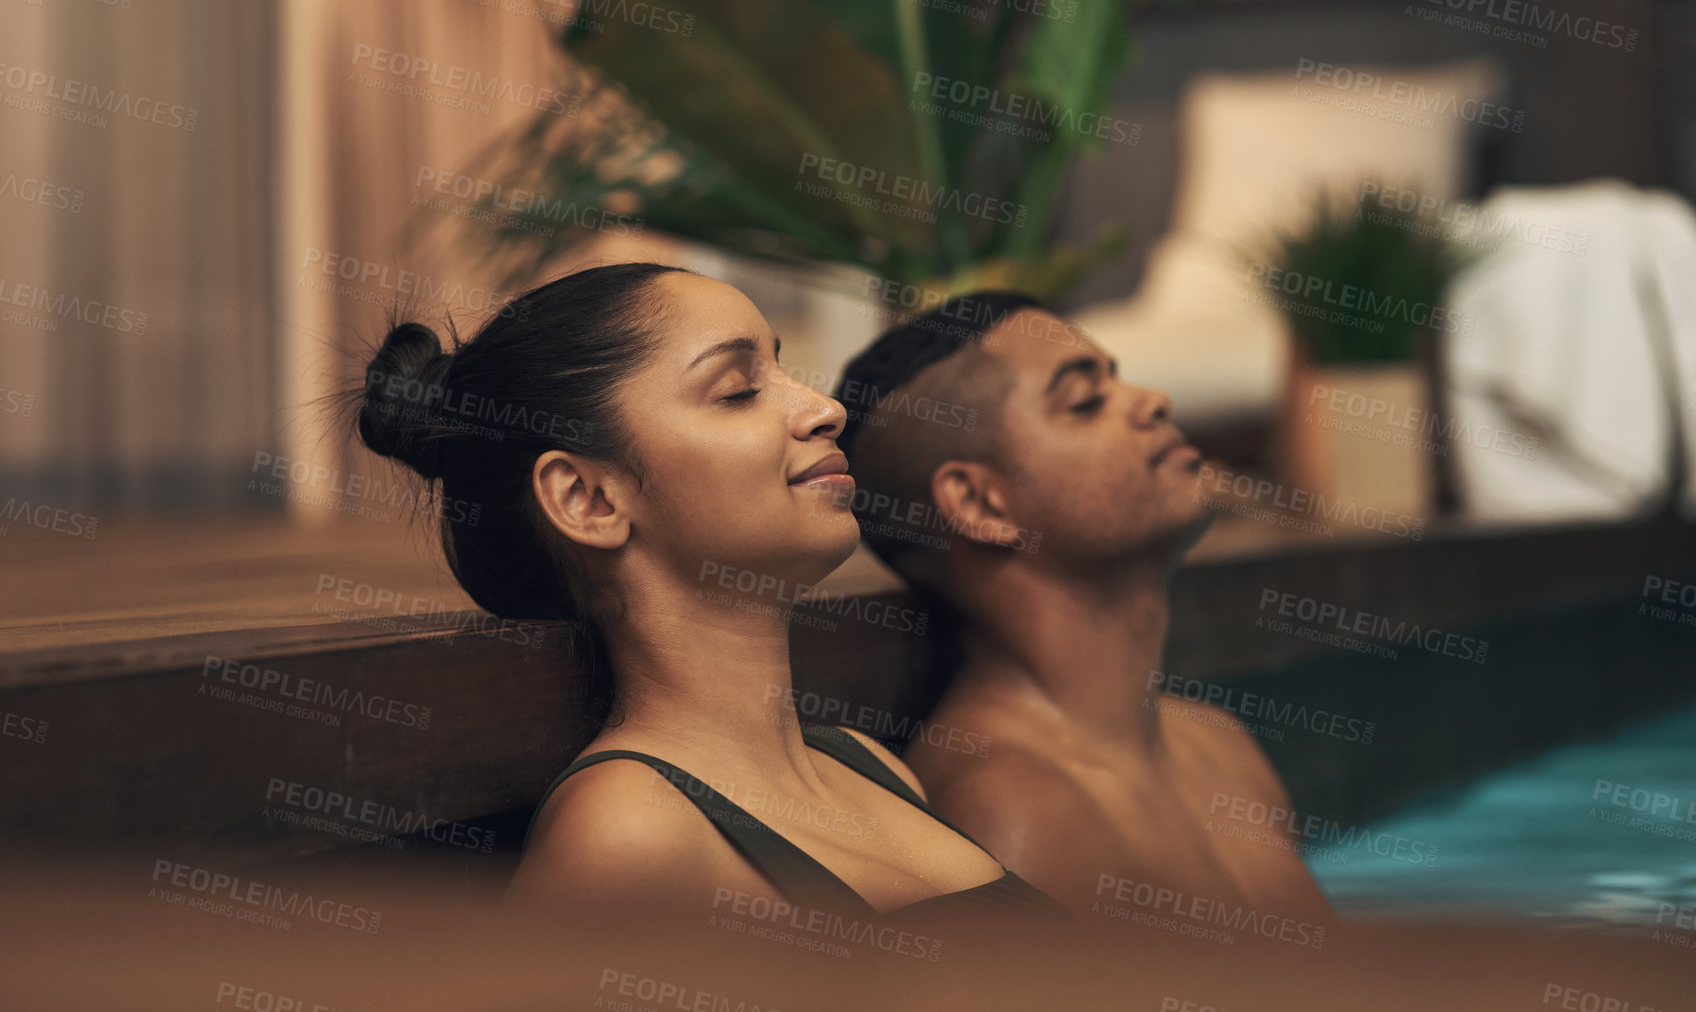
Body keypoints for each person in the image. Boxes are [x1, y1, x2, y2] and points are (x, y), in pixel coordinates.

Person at [347, 263, 1064, 928]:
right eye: (738, 391)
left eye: (782, 369)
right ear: (587, 499)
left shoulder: (870, 764)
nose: (822, 409)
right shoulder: (626, 836)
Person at [831, 291, 1333, 922]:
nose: (1152, 401)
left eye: (1117, 381)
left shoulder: (1219, 744)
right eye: (1086, 402)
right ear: (982, 504)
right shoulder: (1011, 820)